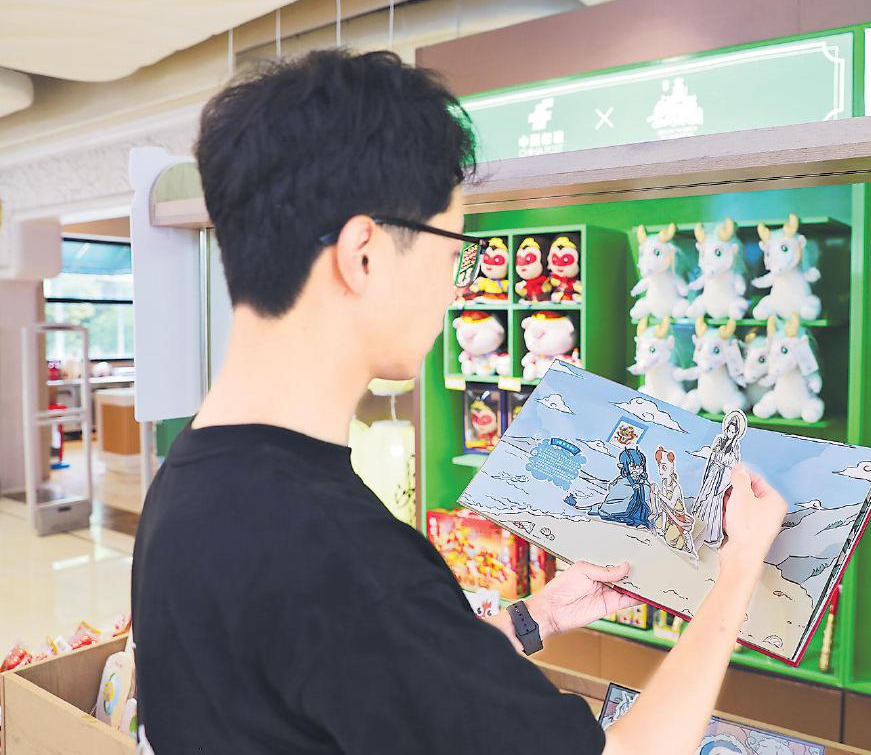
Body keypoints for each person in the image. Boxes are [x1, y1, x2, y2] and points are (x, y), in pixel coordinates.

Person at [131, 49, 787, 755]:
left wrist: (535, 617)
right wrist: (735, 576)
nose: (456, 289)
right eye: (453, 254)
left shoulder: (188, 481)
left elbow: (352, 680)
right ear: (362, 254)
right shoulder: (347, 560)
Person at [693, 410, 748, 549]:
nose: (729, 433)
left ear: (736, 433)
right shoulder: (719, 439)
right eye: (728, 430)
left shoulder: (735, 447)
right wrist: (708, 473)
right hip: (712, 474)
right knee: (703, 499)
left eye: (732, 432)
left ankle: (708, 534)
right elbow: (711, 457)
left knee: (713, 503)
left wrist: (722, 484)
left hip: (721, 478)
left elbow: (732, 467)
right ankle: (695, 527)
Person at [593, 446, 654, 529]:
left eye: (640, 467)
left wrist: (640, 487)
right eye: (633, 467)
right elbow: (614, 489)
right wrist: (633, 488)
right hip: (623, 508)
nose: (637, 470)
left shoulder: (643, 480)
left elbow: (647, 492)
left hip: (638, 508)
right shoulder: (622, 480)